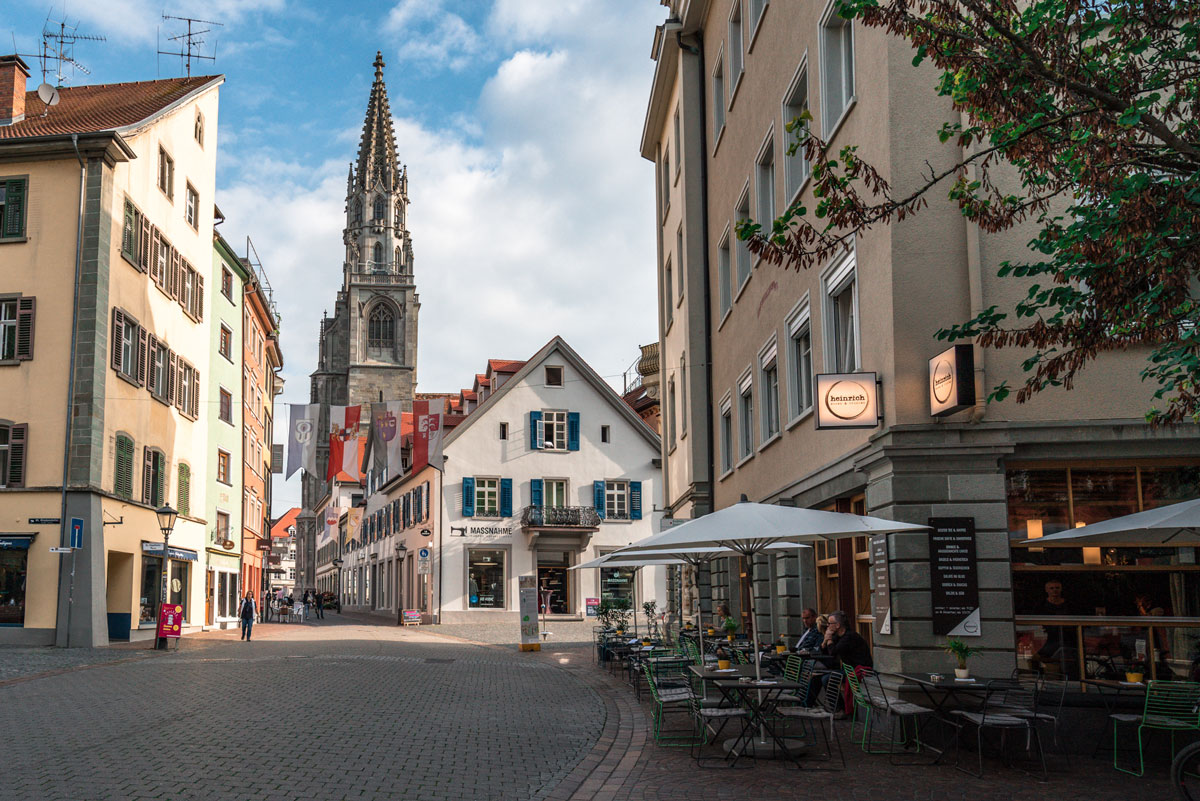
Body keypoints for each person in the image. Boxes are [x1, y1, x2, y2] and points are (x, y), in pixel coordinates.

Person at [1034, 578, 1078, 677]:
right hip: (1048, 640)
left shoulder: (1069, 605)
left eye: (1057, 588)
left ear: (1061, 589)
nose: (1055, 590)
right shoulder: (1041, 605)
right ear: (1046, 590)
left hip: (1067, 638)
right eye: (1052, 588)